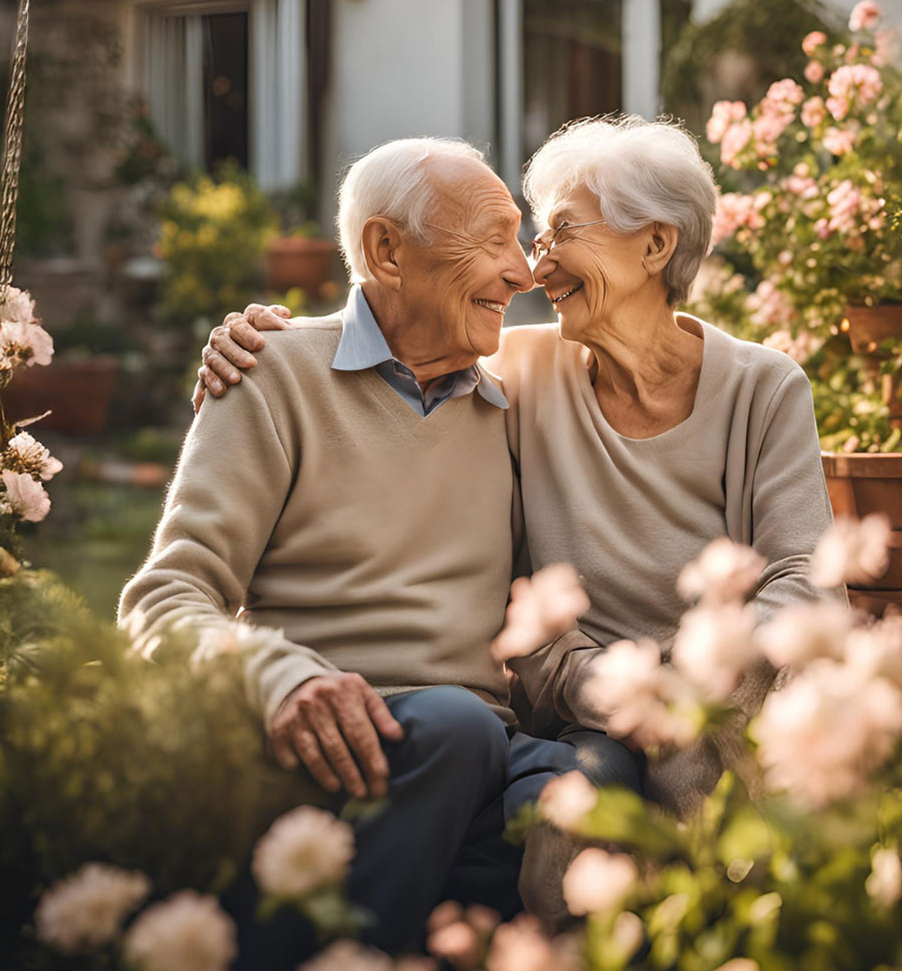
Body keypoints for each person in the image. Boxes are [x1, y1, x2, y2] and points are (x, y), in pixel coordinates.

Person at [198, 115, 837, 915]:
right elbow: (397, 337)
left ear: (655, 246)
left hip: (731, 710)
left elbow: (806, 576)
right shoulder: (521, 371)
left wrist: (689, 695)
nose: (532, 268)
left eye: (560, 231)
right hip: (587, 712)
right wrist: (253, 339)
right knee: (574, 816)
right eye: (529, 238)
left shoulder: (762, 387)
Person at [119, 137, 587, 953]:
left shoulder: (516, 406)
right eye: (494, 239)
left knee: (571, 789)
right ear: (386, 251)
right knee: (455, 729)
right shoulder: (273, 375)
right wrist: (279, 677)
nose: (524, 272)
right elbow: (165, 597)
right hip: (327, 744)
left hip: (479, 746)